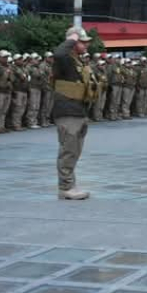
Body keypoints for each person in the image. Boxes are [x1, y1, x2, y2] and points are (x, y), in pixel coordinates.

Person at [53, 27, 94, 201]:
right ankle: (66, 187)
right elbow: (59, 54)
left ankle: (70, 184)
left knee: (75, 151)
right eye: (82, 41)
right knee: (68, 150)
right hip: (67, 111)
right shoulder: (65, 60)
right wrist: (71, 39)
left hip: (78, 110)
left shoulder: (76, 61)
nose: (86, 44)